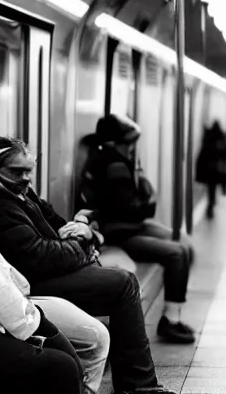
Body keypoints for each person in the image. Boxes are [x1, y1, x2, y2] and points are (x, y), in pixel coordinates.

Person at [0, 134, 197, 394]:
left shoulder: (23, 196)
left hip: (54, 270)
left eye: (29, 171)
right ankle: (136, 390)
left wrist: (84, 231)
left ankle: (138, 389)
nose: (27, 178)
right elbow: (39, 256)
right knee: (123, 284)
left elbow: (59, 226)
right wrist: (82, 245)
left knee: (123, 281)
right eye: (17, 172)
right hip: (34, 282)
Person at [0, 174, 109, 394]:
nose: (25, 177)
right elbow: (14, 311)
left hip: (18, 302)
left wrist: (84, 234)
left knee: (93, 335)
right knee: (62, 367)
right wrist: (54, 339)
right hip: (14, 306)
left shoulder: (29, 201)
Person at [82, 114, 195, 344]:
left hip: (130, 226)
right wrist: (147, 201)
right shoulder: (115, 166)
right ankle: (170, 322)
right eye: (128, 143)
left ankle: (172, 309)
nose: (132, 148)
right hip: (119, 232)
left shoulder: (110, 159)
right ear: (117, 144)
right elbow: (131, 209)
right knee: (176, 253)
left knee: (184, 245)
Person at [196, 121, 226, 219]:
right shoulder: (221, 138)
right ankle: (211, 205)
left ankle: (210, 205)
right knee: (213, 189)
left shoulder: (208, 138)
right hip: (217, 170)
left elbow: (202, 155)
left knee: (211, 189)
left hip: (209, 170)